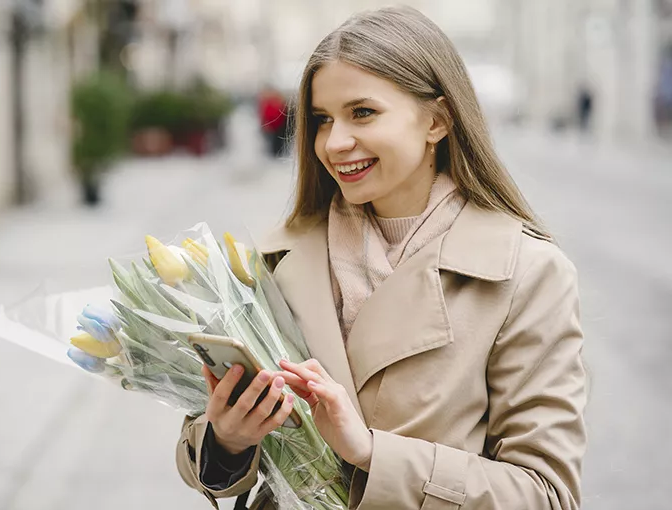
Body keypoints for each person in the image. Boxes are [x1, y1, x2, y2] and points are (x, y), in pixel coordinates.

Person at [176, 7, 587, 509]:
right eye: (322, 120)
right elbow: (206, 460)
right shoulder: (275, 259)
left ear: (436, 120)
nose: (335, 142)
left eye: (362, 113)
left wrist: (373, 455)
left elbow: (547, 496)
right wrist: (229, 440)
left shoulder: (525, 273)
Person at [258, 87, 289, 158]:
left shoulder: (280, 103)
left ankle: (277, 154)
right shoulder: (268, 103)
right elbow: (265, 115)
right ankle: (274, 154)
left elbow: (283, 114)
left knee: (278, 141)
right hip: (272, 126)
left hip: (279, 126)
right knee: (272, 141)